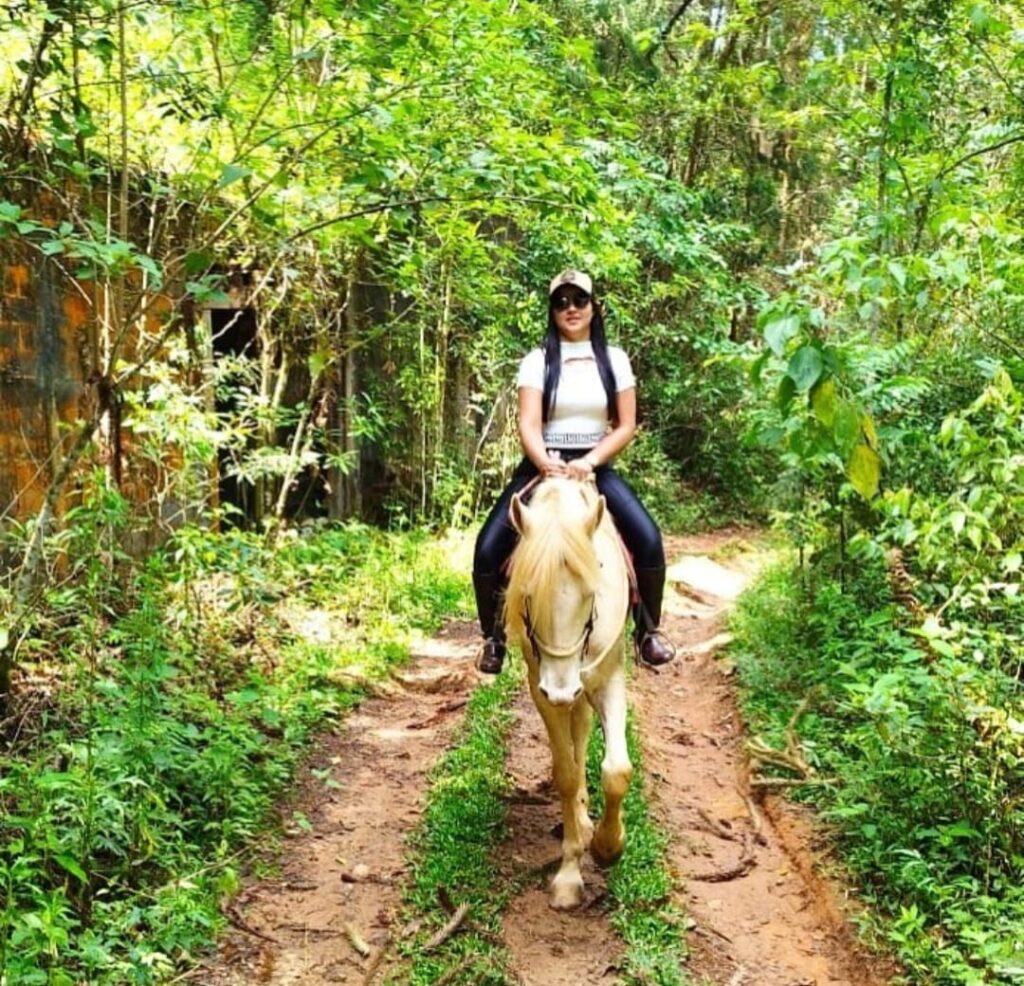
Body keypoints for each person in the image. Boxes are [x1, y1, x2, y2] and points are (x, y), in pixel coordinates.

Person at [472, 269, 675, 674]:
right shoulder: (538, 361)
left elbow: (626, 424)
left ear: (593, 307)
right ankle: (493, 637)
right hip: (542, 464)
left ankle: (647, 631)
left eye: (579, 300)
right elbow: (528, 422)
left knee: (648, 538)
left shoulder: (614, 360)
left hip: (593, 465)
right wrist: (545, 461)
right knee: (488, 547)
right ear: (552, 310)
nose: (571, 309)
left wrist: (591, 461)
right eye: (561, 302)